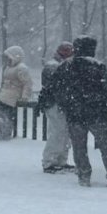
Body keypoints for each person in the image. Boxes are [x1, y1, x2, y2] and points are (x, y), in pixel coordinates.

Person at [39, 35, 107, 188]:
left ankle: (84, 175)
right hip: (97, 113)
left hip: (75, 114)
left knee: (79, 147)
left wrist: (60, 103)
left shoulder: (65, 66)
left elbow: (52, 87)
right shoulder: (97, 66)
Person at [39, 42, 74, 173]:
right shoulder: (53, 66)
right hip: (55, 104)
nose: (68, 53)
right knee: (58, 132)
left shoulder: (63, 65)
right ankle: (49, 161)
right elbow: (55, 87)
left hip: (62, 104)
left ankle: (61, 160)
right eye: (66, 50)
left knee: (64, 132)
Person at [0, 46, 33, 140]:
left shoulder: (21, 68)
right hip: (6, 92)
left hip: (13, 93)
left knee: (1, 107)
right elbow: (4, 82)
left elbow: (27, 83)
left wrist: (25, 96)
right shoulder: (8, 67)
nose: (6, 59)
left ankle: (4, 130)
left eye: (8, 57)